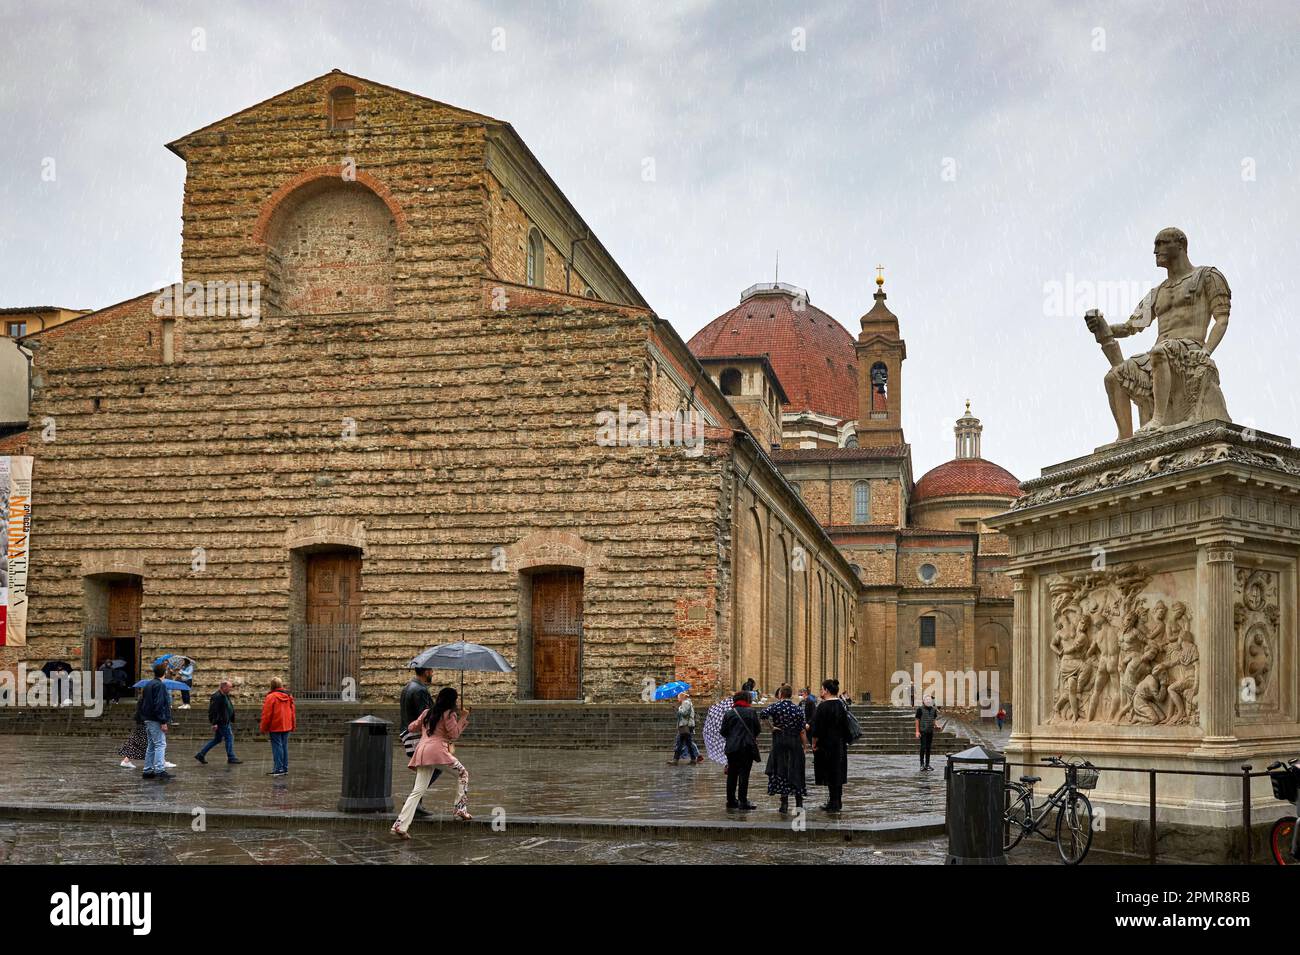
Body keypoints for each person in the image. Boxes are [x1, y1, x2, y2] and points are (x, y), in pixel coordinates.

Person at [392, 687, 472, 837]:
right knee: (463, 773)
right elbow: (454, 734)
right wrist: (463, 717)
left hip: (422, 752)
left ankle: (400, 825)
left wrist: (426, 727)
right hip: (438, 752)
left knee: (417, 791)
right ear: (452, 700)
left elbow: (411, 727)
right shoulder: (449, 714)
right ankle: (460, 808)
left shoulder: (427, 712)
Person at [400, 667, 441, 816]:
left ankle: (415, 803)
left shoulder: (409, 687)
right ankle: (413, 801)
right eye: (431, 671)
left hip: (407, 734)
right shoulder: (420, 690)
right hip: (415, 736)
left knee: (426, 769)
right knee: (436, 766)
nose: (433, 673)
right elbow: (425, 716)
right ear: (426, 672)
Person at [761, 684, 808, 814]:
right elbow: (802, 730)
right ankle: (799, 803)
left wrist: (771, 727)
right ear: (791, 695)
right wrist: (805, 746)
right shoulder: (798, 709)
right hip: (794, 743)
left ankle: (784, 803)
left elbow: (763, 714)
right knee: (796, 770)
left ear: (781, 694)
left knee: (781, 770)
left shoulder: (776, 706)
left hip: (780, 742)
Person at [811, 678, 850, 811]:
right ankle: (837, 800)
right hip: (839, 744)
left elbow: (817, 728)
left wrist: (814, 743)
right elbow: (846, 726)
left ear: (827, 691)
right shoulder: (842, 705)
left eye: (822, 689)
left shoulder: (823, 706)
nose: (821, 691)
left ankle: (833, 802)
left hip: (826, 745)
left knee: (829, 772)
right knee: (838, 772)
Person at [720, 691, 761, 811]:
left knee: (732, 774)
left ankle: (731, 801)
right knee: (744, 774)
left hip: (732, 748)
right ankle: (743, 801)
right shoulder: (751, 712)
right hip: (747, 747)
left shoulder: (729, 713)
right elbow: (757, 729)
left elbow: (723, 732)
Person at [135, 661, 173, 780]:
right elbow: (159, 704)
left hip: (148, 718)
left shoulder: (148, 684)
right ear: (164, 673)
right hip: (156, 719)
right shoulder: (160, 685)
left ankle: (148, 770)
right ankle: (160, 770)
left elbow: (142, 702)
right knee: (160, 744)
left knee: (151, 745)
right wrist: (163, 721)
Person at [195, 680, 241, 765]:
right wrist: (214, 723)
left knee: (217, 739)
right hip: (221, 721)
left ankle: (201, 754)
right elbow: (213, 711)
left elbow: (227, 707)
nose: (231, 689)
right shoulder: (217, 696)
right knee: (229, 738)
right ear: (223, 687)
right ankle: (231, 757)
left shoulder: (225, 695)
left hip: (225, 720)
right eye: (229, 687)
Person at [259, 676, 297, 776]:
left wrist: (263, 727)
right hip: (287, 724)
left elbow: (267, 714)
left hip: (275, 725)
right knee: (284, 746)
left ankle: (278, 768)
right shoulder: (288, 696)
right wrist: (293, 724)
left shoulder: (271, 697)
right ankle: (284, 768)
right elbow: (292, 712)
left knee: (277, 747)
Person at [669, 691, 702, 765]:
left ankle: (676, 760)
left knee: (682, 743)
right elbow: (681, 715)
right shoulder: (684, 703)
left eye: (678, 698)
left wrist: (678, 709)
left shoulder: (686, 703)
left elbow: (684, 713)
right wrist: (676, 709)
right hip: (684, 726)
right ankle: (692, 759)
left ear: (682, 697)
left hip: (685, 726)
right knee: (686, 743)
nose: (678, 699)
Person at [915, 695, 941, 771]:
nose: (928, 702)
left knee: (928, 748)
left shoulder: (933, 710)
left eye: (930, 701)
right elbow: (917, 720)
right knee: (923, 747)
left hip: (930, 731)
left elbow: (934, 719)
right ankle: (922, 764)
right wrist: (917, 731)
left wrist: (936, 725)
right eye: (927, 701)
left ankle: (927, 764)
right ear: (924, 701)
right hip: (923, 731)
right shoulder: (920, 709)